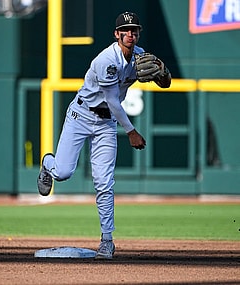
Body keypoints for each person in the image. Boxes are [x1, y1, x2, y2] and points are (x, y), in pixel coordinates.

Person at [37, 12, 171, 259]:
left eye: (135, 30)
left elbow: (165, 83)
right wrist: (131, 132)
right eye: (126, 30)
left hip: (106, 124)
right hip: (81, 116)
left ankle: (107, 241)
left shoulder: (140, 55)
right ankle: (47, 163)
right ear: (116, 34)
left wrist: (163, 74)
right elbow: (112, 101)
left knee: (104, 182)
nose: (131, 34)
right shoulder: (106, 60)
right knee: (64, 172)